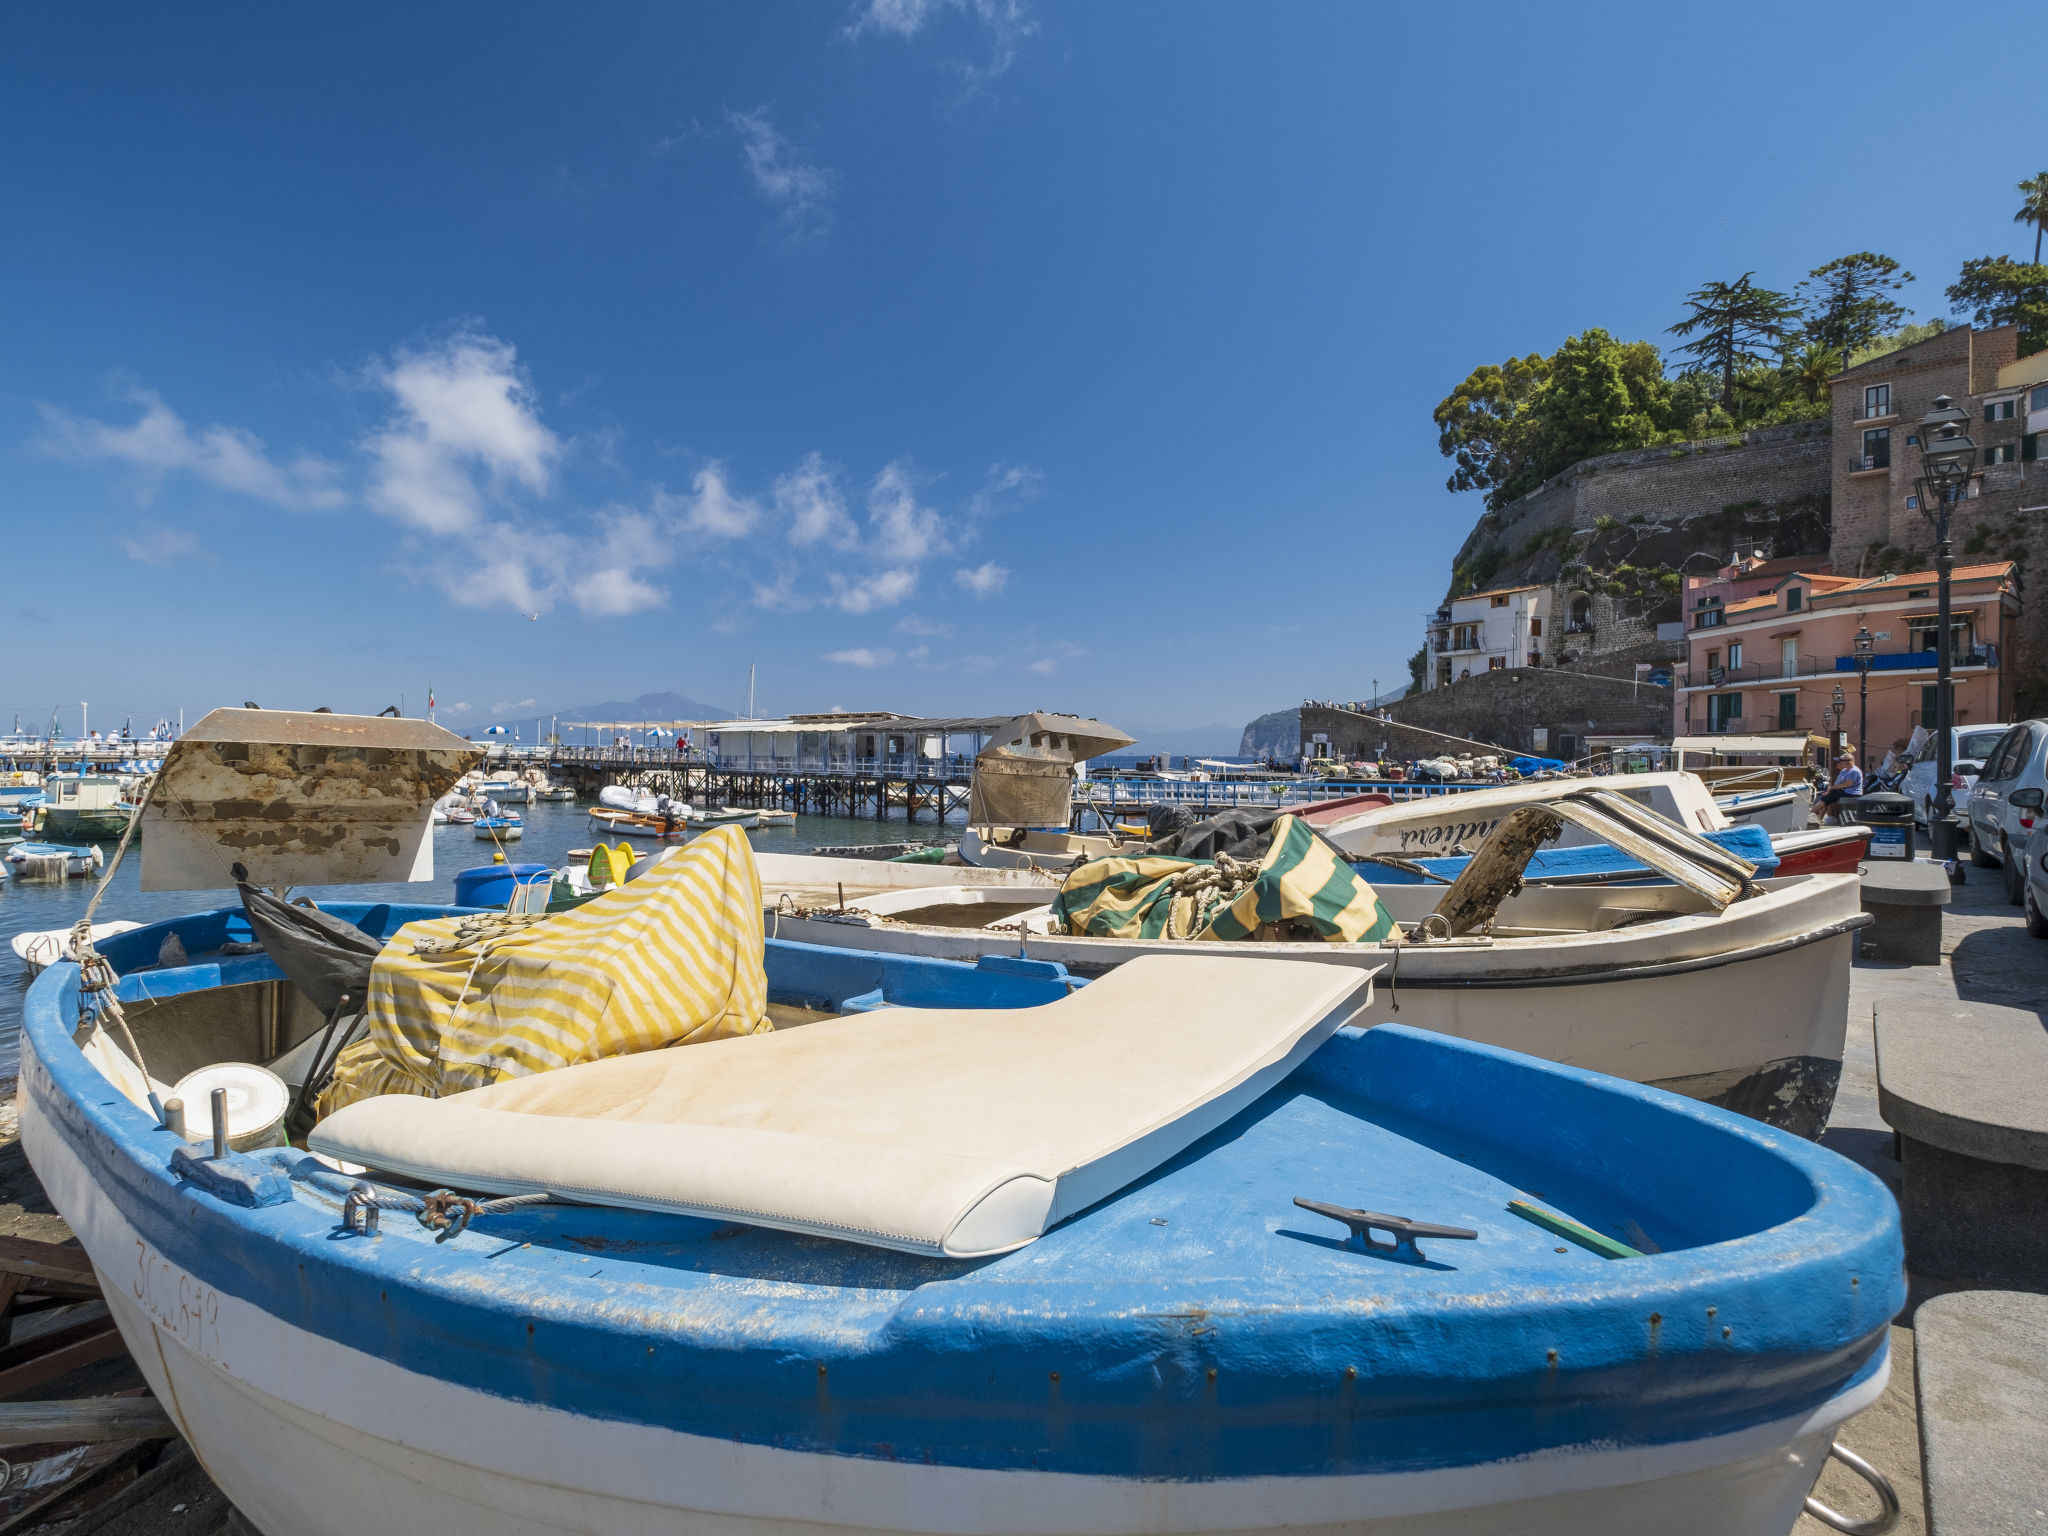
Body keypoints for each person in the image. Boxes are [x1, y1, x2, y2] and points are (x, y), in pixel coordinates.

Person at [1818, 750, 1863, 823]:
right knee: (1827, 799)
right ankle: (1822, 819)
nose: (1837, 765)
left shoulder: (1852, 771)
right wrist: (1830, 788)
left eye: (1839, 762)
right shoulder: (1844, 771)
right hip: (1845, 791)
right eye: (1843, 761)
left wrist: (1831, 788)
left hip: (1850, 793)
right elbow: (1838, 784)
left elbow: (1846, 784)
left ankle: (1817, 816)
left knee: (1826, 799)